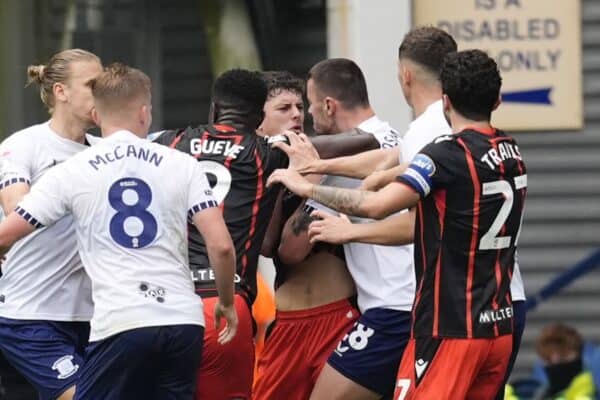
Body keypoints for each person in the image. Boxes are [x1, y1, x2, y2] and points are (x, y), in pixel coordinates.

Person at [281, 27, 527, 400]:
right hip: (500, 309)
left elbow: (385, 207)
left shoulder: (441, 146)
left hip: (454, 317)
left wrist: (316, 196)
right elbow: (396, 159)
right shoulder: (508, 149)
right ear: (496, 100)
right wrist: (339, 168)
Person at [0, 63, 238, 399]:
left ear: (97, 114)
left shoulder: (72, 170)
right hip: (184, 319)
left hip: (121, 319)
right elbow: (222, 247)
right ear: (144, 112)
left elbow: (8, 229)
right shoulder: (182, 163)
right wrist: (226, 302)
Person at [0, 49, 102, 400]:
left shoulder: (107, 150)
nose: (101, 94)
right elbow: (17, 208)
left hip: (95, 315)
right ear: (61, 92)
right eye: (91, 85)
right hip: (30, 313)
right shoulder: (24, 145)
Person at [253, 70, 360, 400]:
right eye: (284, 108)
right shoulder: (252, 165)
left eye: (300, 106)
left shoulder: (324, 156)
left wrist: (311, 171)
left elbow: (369, 140)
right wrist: (276, 166)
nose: (297, 114)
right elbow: (272, 248)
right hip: (288, 321)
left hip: (339, 315)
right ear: (258, 118)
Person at [533, 324, 595, 400]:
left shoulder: (593, 391)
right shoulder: (540, 393)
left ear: (579, 355)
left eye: (563, 356)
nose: (555, 363)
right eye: (548, 358)